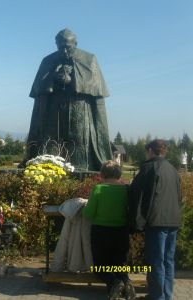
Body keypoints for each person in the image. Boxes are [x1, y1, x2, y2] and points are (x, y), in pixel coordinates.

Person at [23, 28, 112, 171]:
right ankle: (48, 170)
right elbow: (38, 88)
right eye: (60, 48)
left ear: (75, 44)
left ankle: (82, 169)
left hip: (80, 109)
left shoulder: (89, 59)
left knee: (78, 143)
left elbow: (95, 87)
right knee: (51, 142)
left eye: (68, 47)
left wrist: (72, 81)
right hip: (54, 110)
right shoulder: (48, 60)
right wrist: (53, 78)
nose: (64, 52)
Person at [130, 139, 182, 300]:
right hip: (173, 221)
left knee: (156, 261)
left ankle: (157, 296)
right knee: (168, 260)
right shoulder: (173, 169)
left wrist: (136, 222)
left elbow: (136, 195)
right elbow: (179, 197)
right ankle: (167, 295)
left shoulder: (148, 168)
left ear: (151, 151)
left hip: (156, 222)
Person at [82, 160, 136, 300]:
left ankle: (114, 283)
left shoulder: (98, 189)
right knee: (119, 264)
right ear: (118, 173)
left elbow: (88, 214)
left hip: (101, 231)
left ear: (103, 173)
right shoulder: (126, 189)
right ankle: (126, 282)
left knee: (100, 267)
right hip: (121, 231)